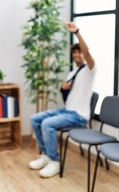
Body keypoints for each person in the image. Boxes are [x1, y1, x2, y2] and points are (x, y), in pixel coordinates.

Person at [29, 21, 95, 178]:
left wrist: (77, 32)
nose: (77, 55)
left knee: (47, 124)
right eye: (74, 53)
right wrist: (63, 88)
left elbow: (87, 54)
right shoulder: (72, 73)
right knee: (35, 119)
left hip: (79, 116)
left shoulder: (89, 70)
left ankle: (54, 161)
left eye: (79, 53)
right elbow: (68, 98)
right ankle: (45, 154)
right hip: (67, 110)